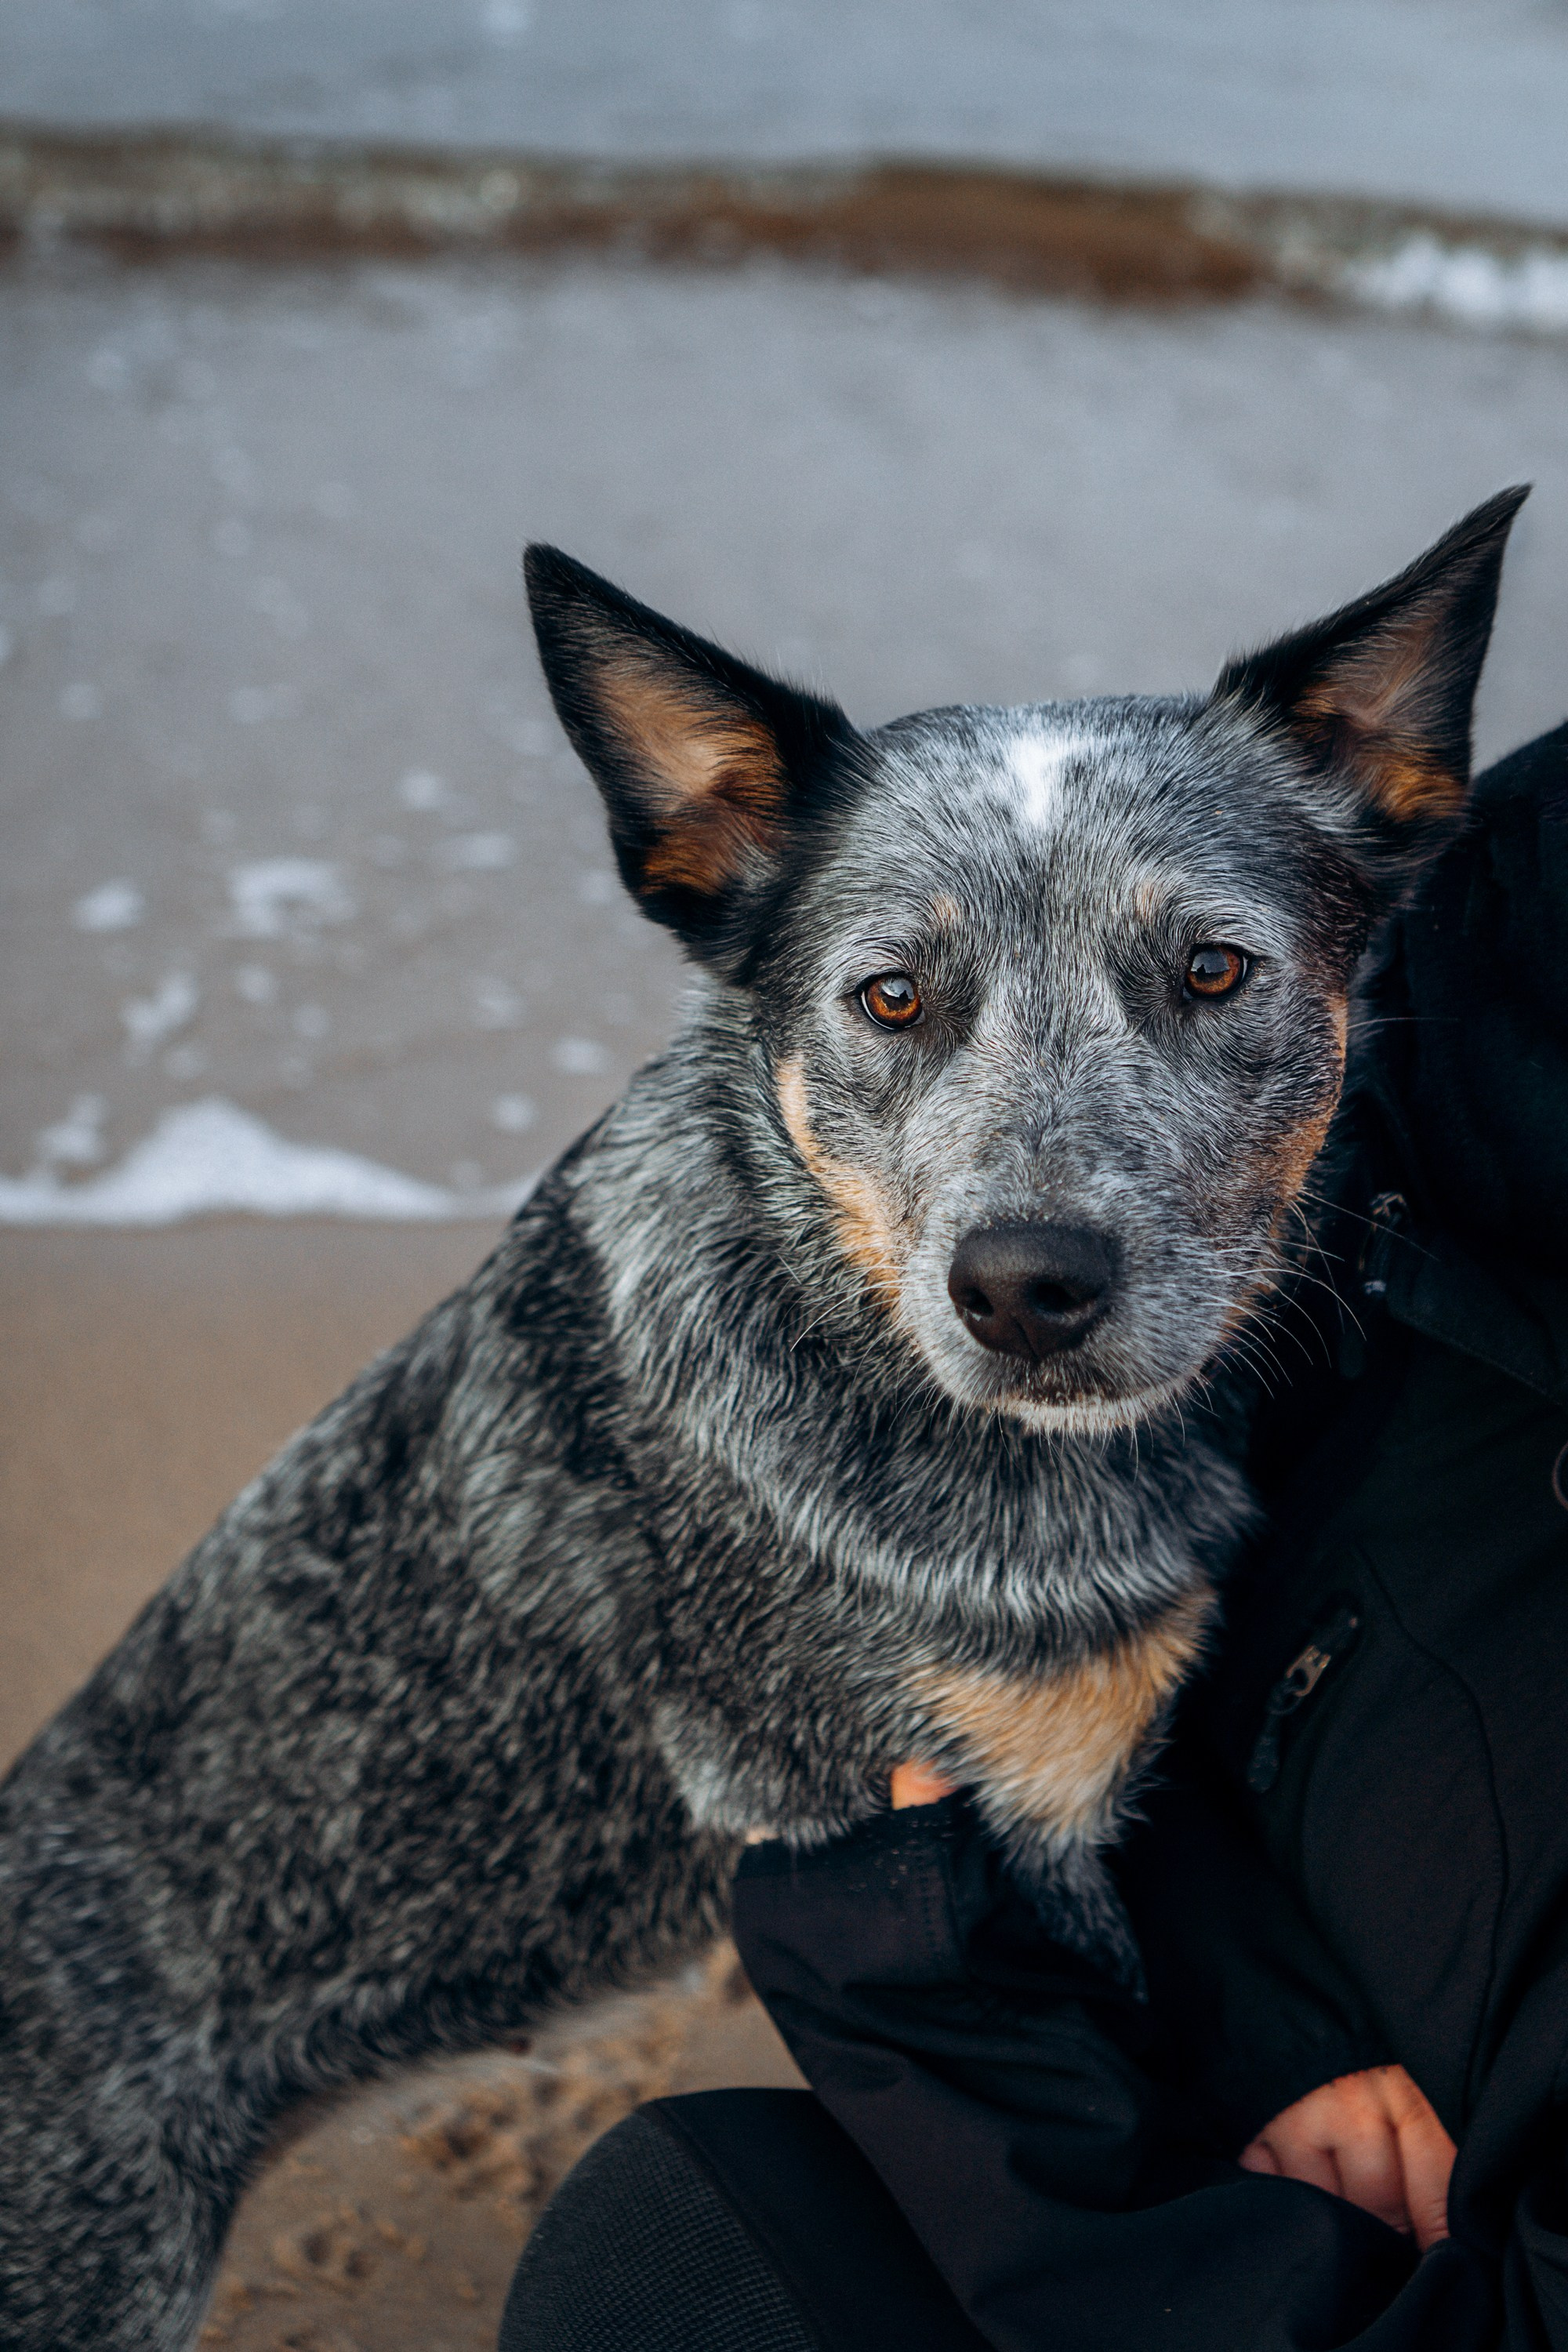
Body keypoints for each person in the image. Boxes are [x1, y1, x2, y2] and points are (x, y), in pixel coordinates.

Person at [498, 722, 1568, 2352]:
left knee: (675, 2261)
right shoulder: (1514, 907)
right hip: (1251, 1786)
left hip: (1166, 2097)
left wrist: (926, 1960)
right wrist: (1253, 2012)